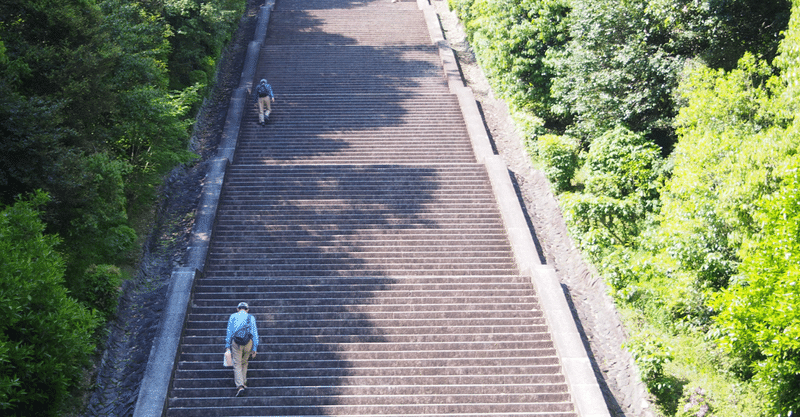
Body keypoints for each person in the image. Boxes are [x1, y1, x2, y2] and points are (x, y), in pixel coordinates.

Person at [225, 301, 259, 397]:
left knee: (237, 363)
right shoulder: (250, 317)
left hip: (236, 342)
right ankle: (243, 382)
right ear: (247, 310)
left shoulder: (233, 316)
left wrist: (227, 346)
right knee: (244, 362)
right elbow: (255, 333)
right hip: (248, 342)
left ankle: (240, 386)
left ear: (238, 309)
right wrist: (255, 347)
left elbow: (229, 332)